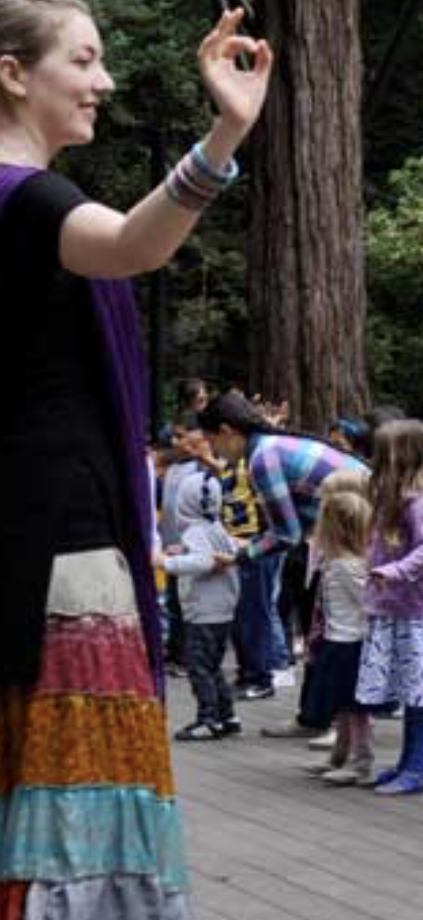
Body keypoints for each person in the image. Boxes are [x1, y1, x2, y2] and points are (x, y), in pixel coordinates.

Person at [0, 5, 268, 915]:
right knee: (83, 804)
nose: (104, 81)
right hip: (65, 551)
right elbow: (132, 247)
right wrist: (227, 129)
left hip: (26, 541)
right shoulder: (28, 201)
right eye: (84, 59)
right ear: (11, 73)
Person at [200, 391, 370, 710]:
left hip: (355, 540)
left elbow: (286, 534)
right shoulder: (270, 447)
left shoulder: (263, 458)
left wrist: (241, 555)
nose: (215, 452)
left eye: (212, 442)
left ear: (226, 431)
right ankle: (313, 716)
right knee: (320, 631)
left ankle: (343, 719)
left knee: (337, 633)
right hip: (344, 538)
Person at [354, 420, 423, 797]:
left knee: (422, 696)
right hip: (393, 609)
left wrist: (393, 571)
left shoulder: (421, 502)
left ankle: (417, 770)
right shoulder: (392, 499)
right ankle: (406, 764)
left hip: (416, 614)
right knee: (410, 693)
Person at [303, 488, 379, 787]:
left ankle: (362, 762)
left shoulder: (347, 566)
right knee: (343, 707)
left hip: (352, 643)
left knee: (355, 708)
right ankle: (340, 755)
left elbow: (367, 603)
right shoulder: (338, 564)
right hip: (338, 640)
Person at [165, 469, 242, 741]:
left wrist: (167, 563)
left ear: (184, 502)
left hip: (203, 613)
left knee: (198, 667)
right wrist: (184, 552)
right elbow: (215, 554)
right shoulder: (215, 527)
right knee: (213, 666)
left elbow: (204, 562)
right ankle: (228, 715)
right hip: (222, 611)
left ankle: (208, 719)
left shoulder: (195, 531)